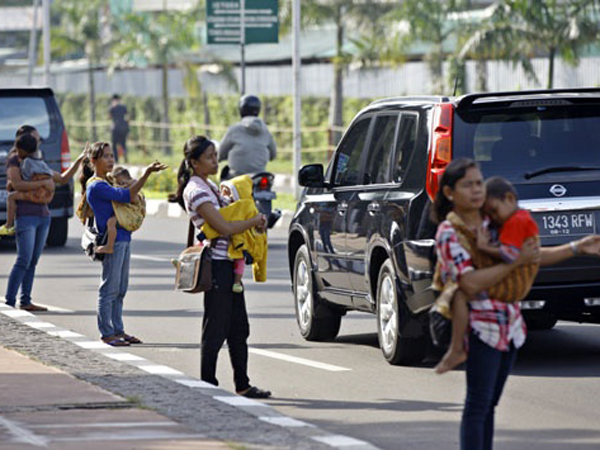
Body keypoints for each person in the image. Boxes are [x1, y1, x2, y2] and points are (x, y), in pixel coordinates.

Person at [431, 158, 600, 450]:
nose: (476, 190)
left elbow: (529, 255)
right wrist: (515, 263)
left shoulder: (492, 220)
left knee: (489, 405)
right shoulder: (449, 232)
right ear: (449, 193)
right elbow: (469, 283)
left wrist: (576, 248)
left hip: (509, 323)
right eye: (467, 185)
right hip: (479, 325)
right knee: (478, 404)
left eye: (478, 183)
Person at [170, 135, 271, 398]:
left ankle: (243, 384)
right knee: (215, 327)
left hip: (229, 264)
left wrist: (251, 220)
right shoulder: (196, 190)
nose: (216, 160)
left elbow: (232, 216)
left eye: (216, 155)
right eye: (209, 157)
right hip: (217, 266)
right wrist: (253, 221)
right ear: (194, 162)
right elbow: (223, 227)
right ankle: (208, 384)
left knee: (239, 327)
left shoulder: (210, 185)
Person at [434, 176, 540, 374]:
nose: (493, 216)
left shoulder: (514, 221)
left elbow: (512, 255)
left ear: (509, 198)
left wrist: (484, 247)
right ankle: (456, 348)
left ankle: (456, 348)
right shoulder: (511, 220)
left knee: (459, 293)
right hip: (502, 322)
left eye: (493, 210)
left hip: (500, 320)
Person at [80, 142, 166, 346]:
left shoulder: (107, 181)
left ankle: (118, 329)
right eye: (106, 156)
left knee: (120, 289)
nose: (111, 159)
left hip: (124, 237)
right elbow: (127, 196)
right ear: (94, 161)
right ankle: (107, 332)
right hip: (114, 241)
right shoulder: (97, 186)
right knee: (109, 289)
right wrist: (146, 174)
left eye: (112, 155)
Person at [4, 125, 85, 312]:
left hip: (43, 215)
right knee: (23, 259)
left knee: (32, 261)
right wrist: (43, 183)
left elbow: (62, 178)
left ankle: (25, 300)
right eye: (34, 138)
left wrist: (79, 160)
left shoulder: (36, 160)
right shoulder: (15, 161)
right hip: (26, 216)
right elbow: (17, 184)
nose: (38, 142)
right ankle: (9, 302)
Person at [201, 174, 268, 293]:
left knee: (203, 247)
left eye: (227, 192)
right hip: (244, 243)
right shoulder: (252, 208)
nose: (224, 195)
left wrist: (204, 233)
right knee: (239, 261)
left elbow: (222, 217)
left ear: (237, 193)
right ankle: (237, 282)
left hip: (239, 241)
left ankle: (237, 282)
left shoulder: (239, 206)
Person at [0, 134, 55, 236]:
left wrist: (12, 183)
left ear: (23, 150)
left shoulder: (26, 163)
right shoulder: (41, 162)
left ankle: (8, 225)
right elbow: (51, 174)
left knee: (11, 197)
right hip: (45, 194)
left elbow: (23, 181)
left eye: (18, 150)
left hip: (34, 193)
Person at [218, 95, 277, 177]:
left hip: (237, 176)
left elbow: (221, 153)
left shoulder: (234, 130)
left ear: (241, 110)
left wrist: (220, 158)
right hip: (259, 176)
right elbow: (273, 154)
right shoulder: (265, 130)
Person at [95, 166, 145, 255]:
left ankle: (109, 246)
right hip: (127, 212)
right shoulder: (125, 187)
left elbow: (133, 194)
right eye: (118, 183)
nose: (121, 186)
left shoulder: (134, 185)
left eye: (122, 182)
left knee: (111, 222)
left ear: (129, 178)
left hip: (131, 212)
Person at [108, 94, 129, 163]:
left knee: (114, 145)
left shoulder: (112, 107)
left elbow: (109, 117)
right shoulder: (124, 107)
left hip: (115, 127)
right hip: (123, 127)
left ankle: (116, 160)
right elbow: (127, 118)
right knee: (123, 143)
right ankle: (125, 155)